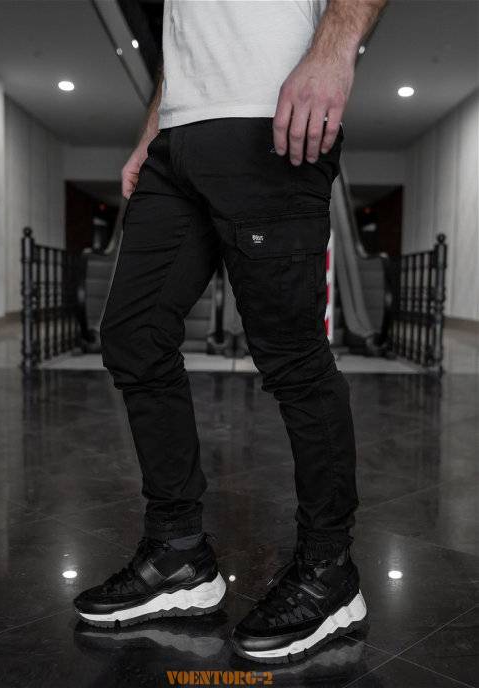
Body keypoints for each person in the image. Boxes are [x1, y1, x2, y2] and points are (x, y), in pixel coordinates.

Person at [74, 0, 387, 663]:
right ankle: (179, 552)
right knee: (133, 335)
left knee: (292, 358)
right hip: (175, 142)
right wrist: (154, 128)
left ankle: (330, 569)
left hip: (272, 118)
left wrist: (334, 49)